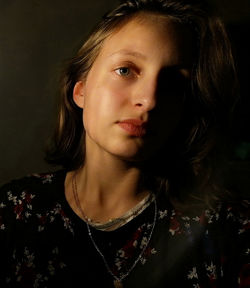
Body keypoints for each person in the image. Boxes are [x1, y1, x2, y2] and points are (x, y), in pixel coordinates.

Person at [0, 0, 249, 287]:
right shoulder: (13, 213)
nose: (150, 100)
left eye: (172, 83)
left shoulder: (229, 231)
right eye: (125, 70)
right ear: (80, 90)